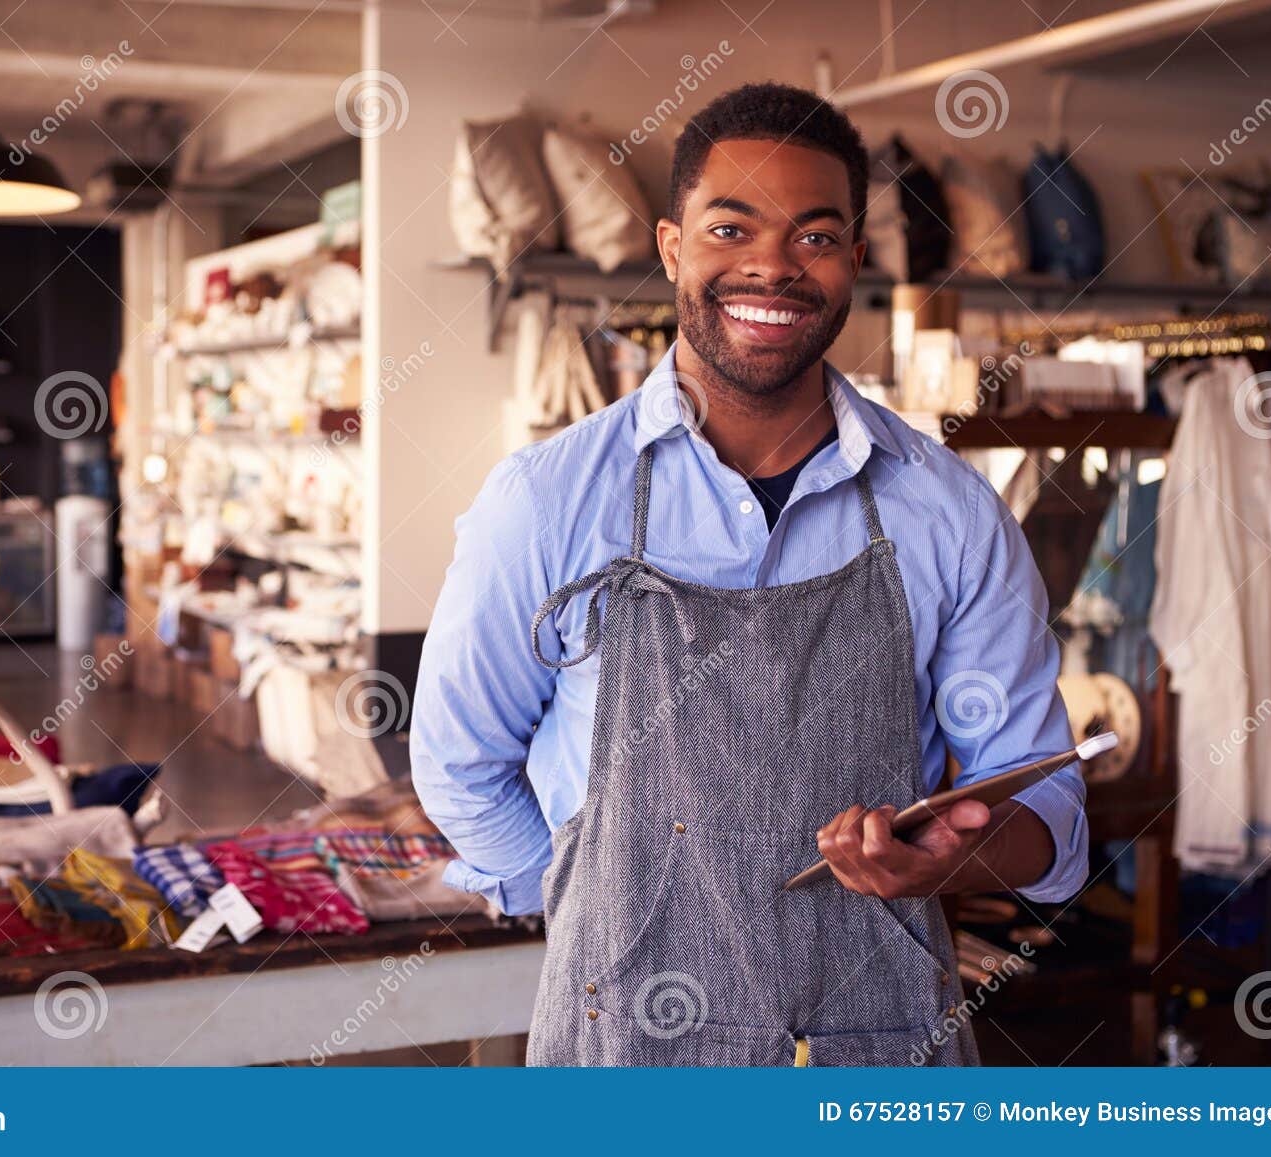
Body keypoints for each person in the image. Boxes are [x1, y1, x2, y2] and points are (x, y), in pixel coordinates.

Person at [410, 82, 1087, 1067]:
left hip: (880, 1045)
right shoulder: (547, 500)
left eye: (815, 236)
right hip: (624, 1052)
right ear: (672, 244)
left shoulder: (947, 513)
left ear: (854, 261)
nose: (771, 264)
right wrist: (591, 905)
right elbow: (459, 762)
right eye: (731, 227)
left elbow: (1048, 819)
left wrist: (949, 858)